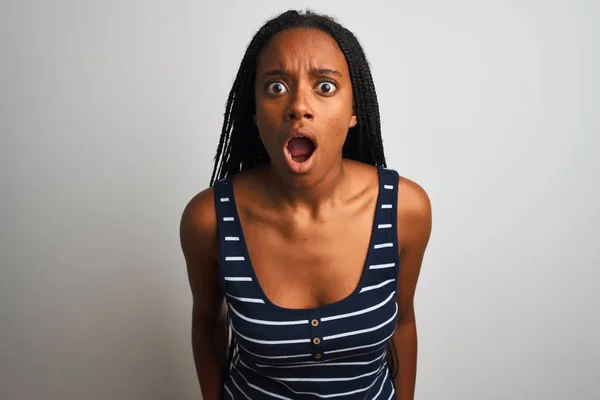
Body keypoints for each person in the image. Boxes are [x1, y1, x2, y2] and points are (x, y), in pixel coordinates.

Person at [180, 9, 432, 400]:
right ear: (255, 114)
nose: (299, 105)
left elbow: (403, 322)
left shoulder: (405, 210)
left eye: (325, 87)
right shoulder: (209, 219)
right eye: (276, 87)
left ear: (353, 112)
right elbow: (208, 323)